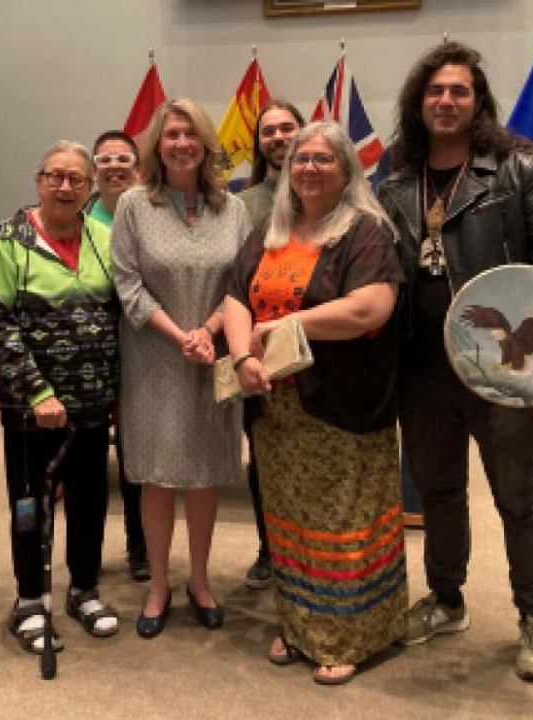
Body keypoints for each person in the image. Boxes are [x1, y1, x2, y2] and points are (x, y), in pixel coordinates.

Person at [378, 41, 533, 682]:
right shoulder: (397, 176)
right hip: (421, 369)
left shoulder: (518, 169)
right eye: (435, 91)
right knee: (438, 493)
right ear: (419, 101)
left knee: (518, 497)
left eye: (458, 91)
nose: (445, 101)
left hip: (500, 371)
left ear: (478, 100)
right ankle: (446, 598)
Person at [224, 121, 406, 684]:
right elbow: (233, 297)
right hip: (276, 411)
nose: (308, 168)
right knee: (290, 523)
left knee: (343, 523)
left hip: (342, 406)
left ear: (347, 169)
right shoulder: (269, 229)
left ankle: (347, 635)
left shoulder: (366, 231)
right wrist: (242, 358)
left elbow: (368, 309)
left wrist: (283, 325)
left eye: (323, 159)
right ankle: (300, 625)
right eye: (301, 158)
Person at [112, 98, 250, 638]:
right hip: (153, 358)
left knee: (206, 472)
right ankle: (158, 587)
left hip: (213, 356)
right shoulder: (132, 204)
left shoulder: (233, 209)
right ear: (157, 144)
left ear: (208, 144)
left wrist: (210, 333)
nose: (182, 144)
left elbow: (241, 284)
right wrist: (179, 335)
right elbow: (127, 284)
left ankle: (199, 581)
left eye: (191, 135)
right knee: (157, 475)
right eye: (171, 135)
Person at [0, 140, 120, 654]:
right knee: (30, 505)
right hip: (31, 410)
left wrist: (118, 390)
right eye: (54, 176)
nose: (65, 187)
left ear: (89, 188)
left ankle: (83, 590)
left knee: (89, 502)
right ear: (38, 180)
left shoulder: (104, 237)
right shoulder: (8, 240)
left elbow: (118, 315)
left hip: (92, 402)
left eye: (76, 179)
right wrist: (38, 391)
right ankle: (29, 601)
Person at [236, 100, 305, 591]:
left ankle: (312, 549)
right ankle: (269, 547)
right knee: (264, 455)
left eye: (288, 128)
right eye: (269, 132)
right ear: (259, 144)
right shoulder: (244, 203)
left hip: (320, 345)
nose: (279, 138)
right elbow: (236, 278)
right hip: (261, 349)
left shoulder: (335, 194)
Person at [84, 130, 148, 582]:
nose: (114, 166)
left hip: (140, 350)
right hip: (90, 353)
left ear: (138, 167)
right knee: (88, 458)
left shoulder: (149, 213)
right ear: (94, 170)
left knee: (133, 457)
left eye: (123, 158)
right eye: (104, 159)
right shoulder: (81, 221)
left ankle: (139, 546)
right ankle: (84, 556)